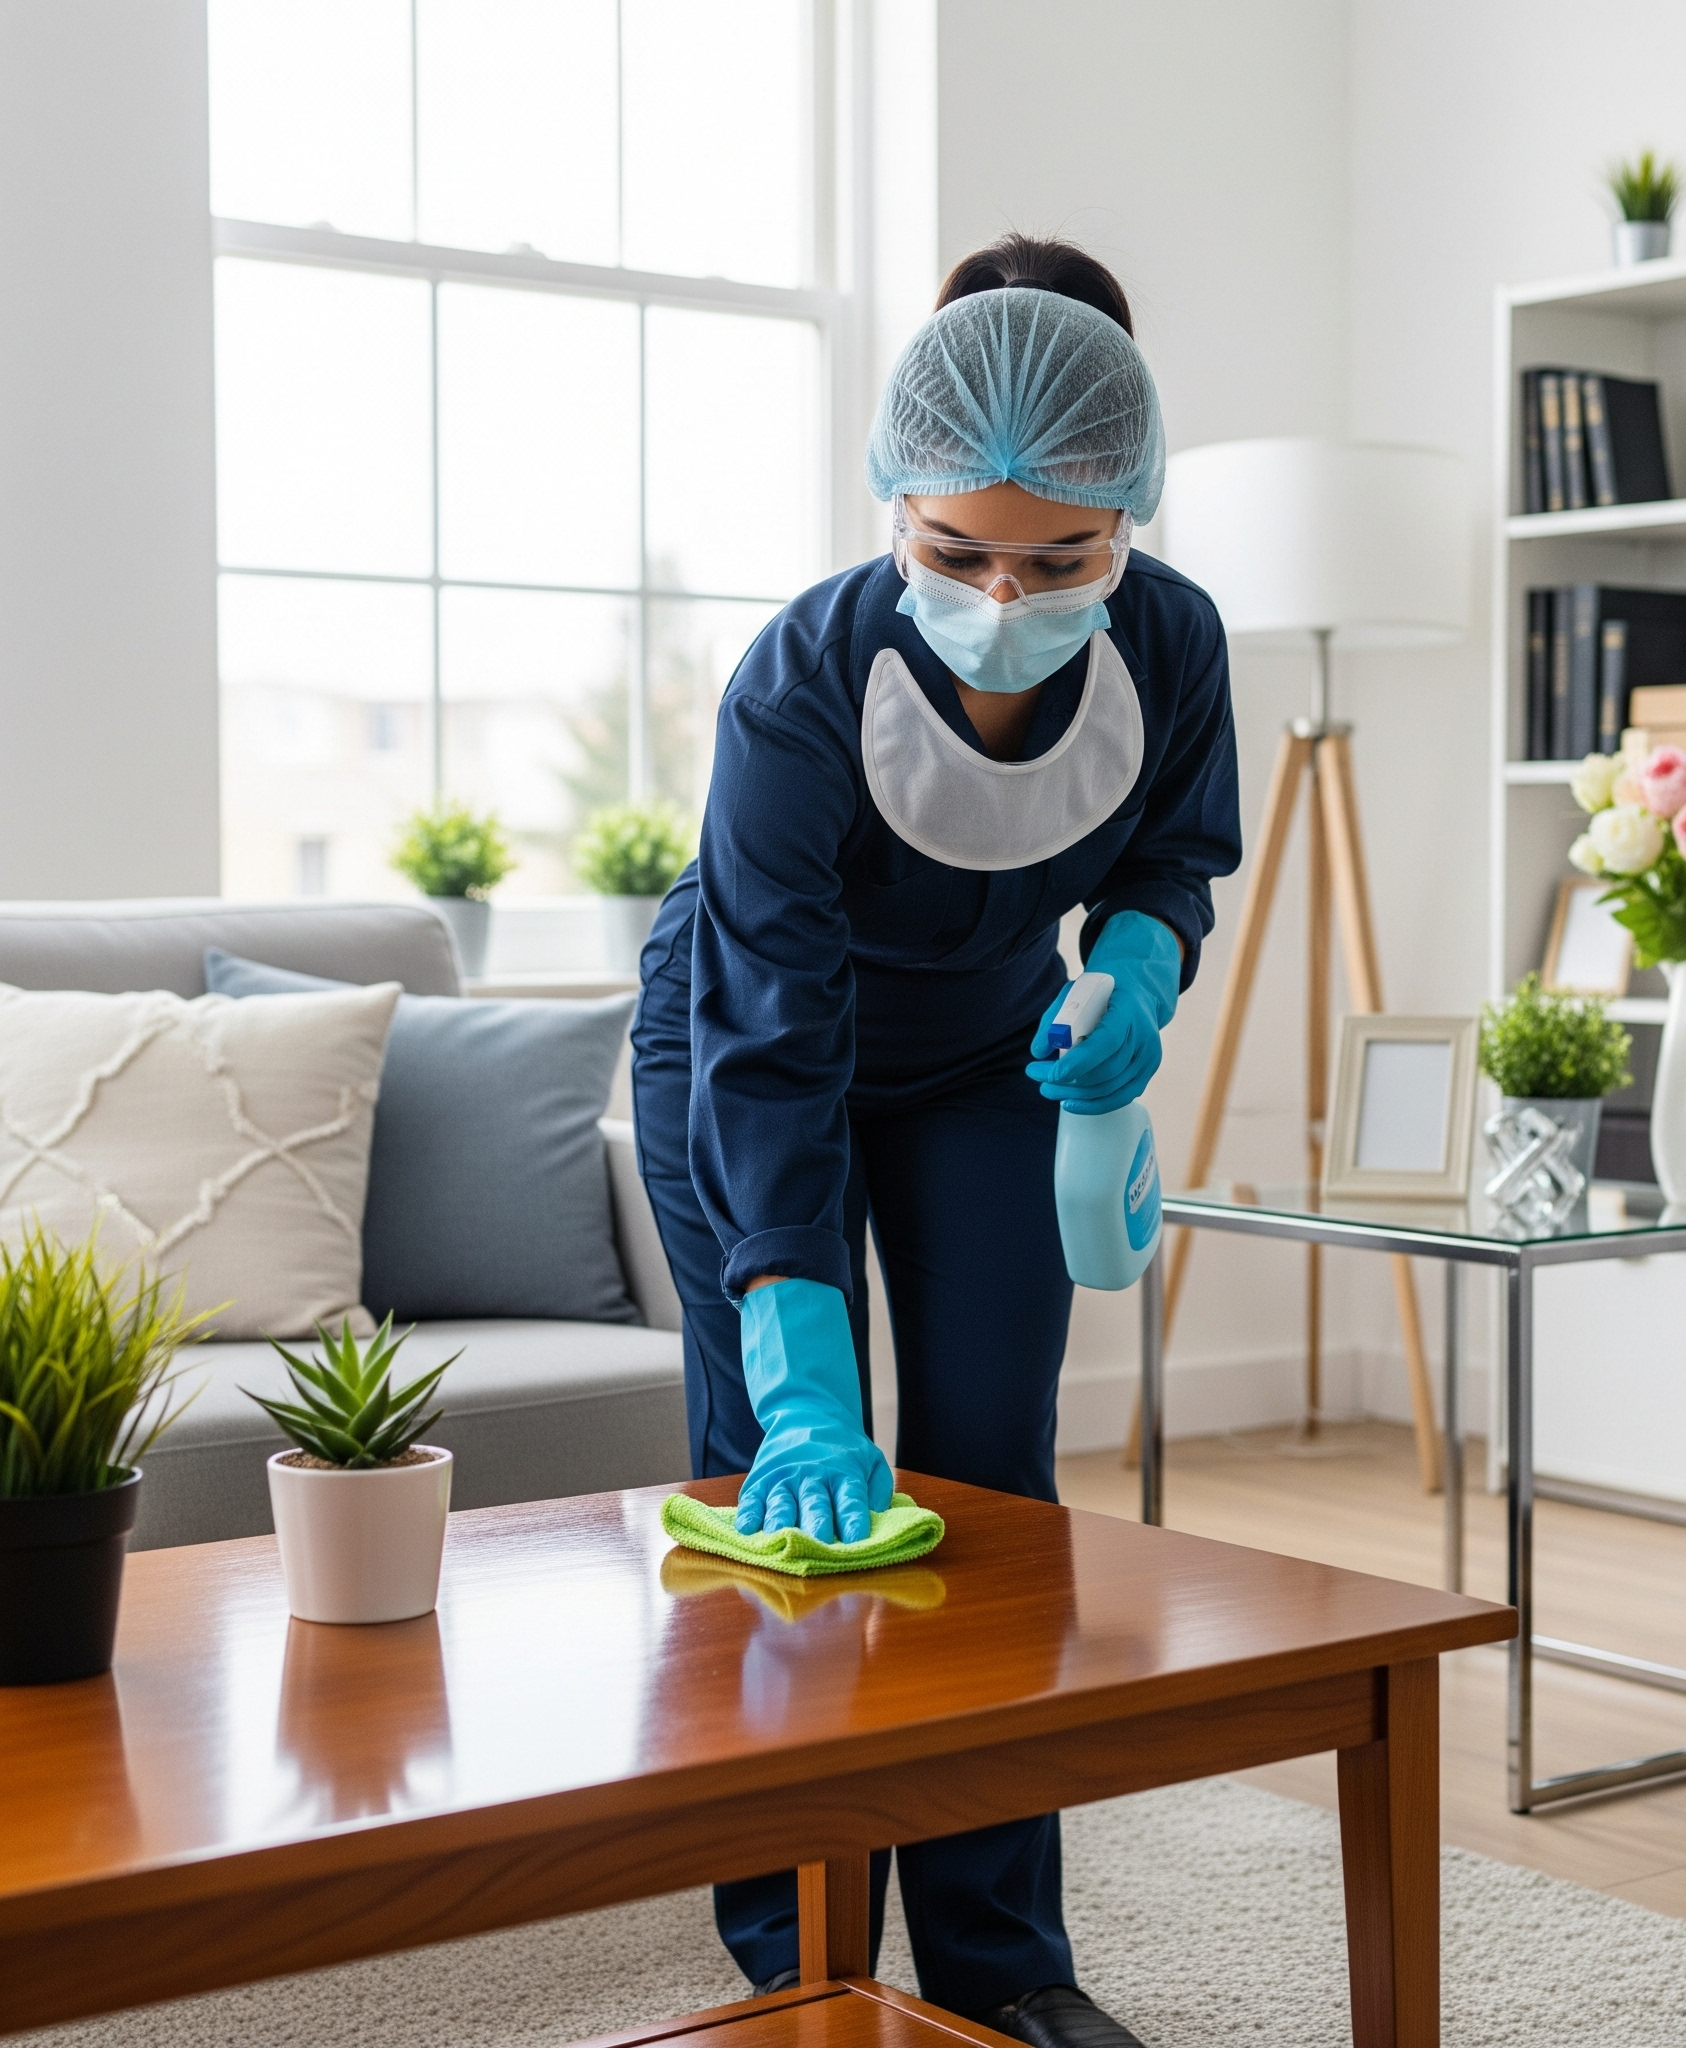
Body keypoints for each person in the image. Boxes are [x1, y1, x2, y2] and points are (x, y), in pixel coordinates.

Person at [633, 232, 1240, 2048]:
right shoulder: (801, 678)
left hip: (982, 1056)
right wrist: (805, 1349)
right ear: (891, 501)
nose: (1002, 593)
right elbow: (769, 1034)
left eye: (1062, 558)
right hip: (743, 1051)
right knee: (786, 1490)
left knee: (990, 1486)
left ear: (1132, 509)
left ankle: (1002, 1963)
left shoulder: (1176, 638)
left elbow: (1169, 854)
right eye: (952, 551)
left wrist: (1135, 967)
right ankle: (801, 1963)